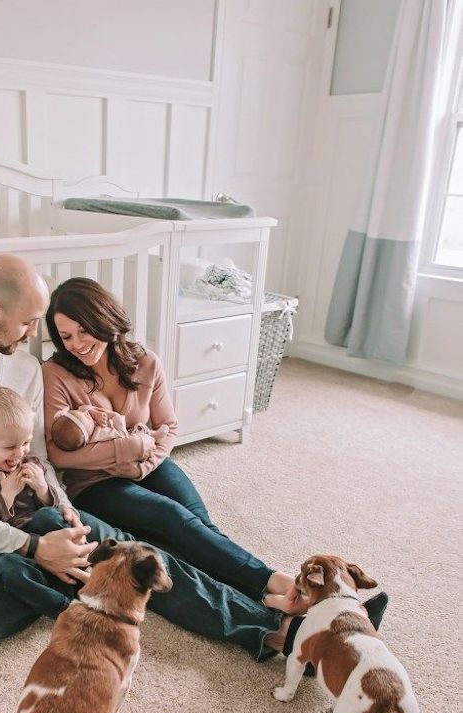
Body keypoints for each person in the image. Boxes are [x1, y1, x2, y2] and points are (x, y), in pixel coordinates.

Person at [0, 253, 299, 662]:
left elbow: (41, 460)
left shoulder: (24, 370)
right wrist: (33, 549)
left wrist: (58, 510)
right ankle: (67, 587)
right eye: (29, 322)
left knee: (137, 557)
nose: (33, 334)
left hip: (32, 515)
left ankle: (273, 630)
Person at [42, 277, 388, 659]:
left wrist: (144, 463)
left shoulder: (145, 362)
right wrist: (128, 449)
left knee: (200, 527)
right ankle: (285, 590)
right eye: (65, 336)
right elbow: (60, 456)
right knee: (172, 518)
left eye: (81, 330)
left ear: (103, 318)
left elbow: (168, 428)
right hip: (95, 484)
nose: (76, 343)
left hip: (149, 466)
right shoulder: (56, 374)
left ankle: (284, 604)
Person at [0, 387, 77, 617]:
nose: (19, 453)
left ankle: (71, 581)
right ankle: (65, 609)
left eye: (25, 443)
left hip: (46, 540)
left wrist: (42, 488)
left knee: (51, 516)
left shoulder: (31, 463)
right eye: (10, 446)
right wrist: (7, 494)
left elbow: (52, 511)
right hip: (7, 546)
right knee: (2, 566)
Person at [51, 403, 169, 479]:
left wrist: (93, 413)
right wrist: (114, 418)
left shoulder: (81, 422)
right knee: (139, 431)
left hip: (141, 464)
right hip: (122, 461)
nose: (86, 415)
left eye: (83, 415)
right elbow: (121, 434)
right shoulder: (98, 435)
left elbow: (84, 408)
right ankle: (154, 436)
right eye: (88, 419)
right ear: (87, 438)